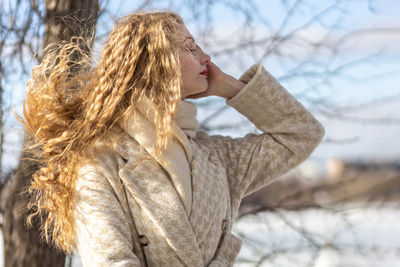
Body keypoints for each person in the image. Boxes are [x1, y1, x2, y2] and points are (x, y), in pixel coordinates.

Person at [20, 11, 325, 266]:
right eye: (190, 48)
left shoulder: (217, 157)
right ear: (153, 60)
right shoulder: (99, 164)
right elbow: (111, 262)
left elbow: (301, 134)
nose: (206, 56)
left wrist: (232, 89)